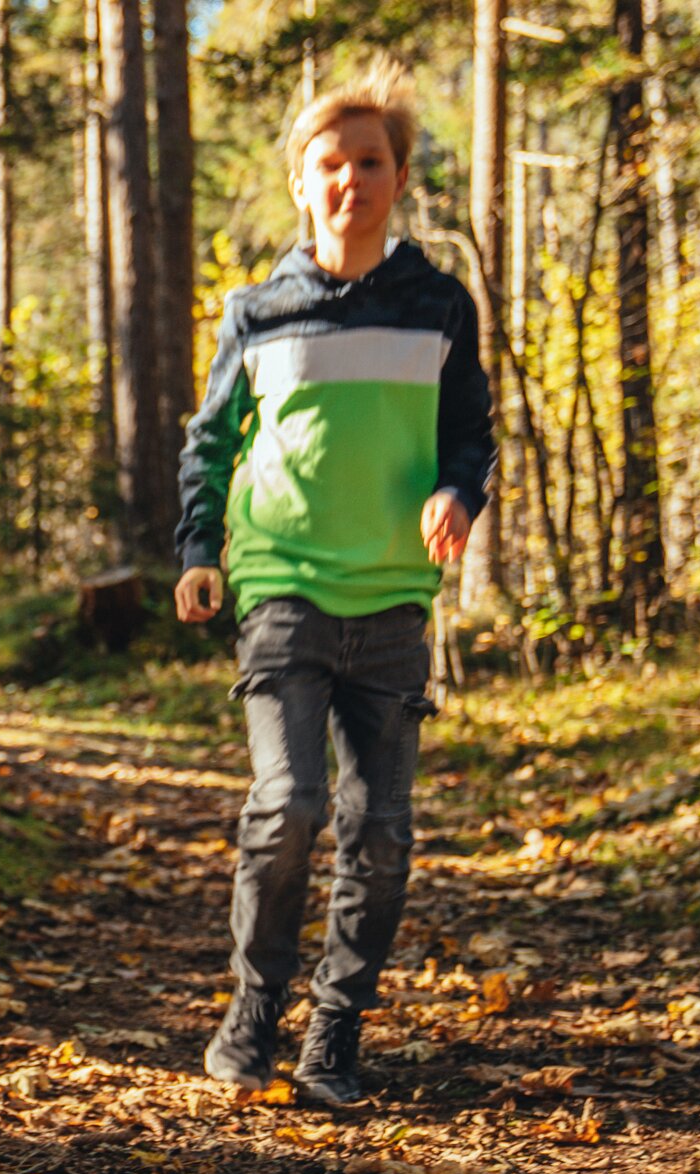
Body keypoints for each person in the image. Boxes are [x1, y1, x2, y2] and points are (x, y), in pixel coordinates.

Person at [172, 64, 496, 1108]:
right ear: (299, 183)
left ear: (397, 176)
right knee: (287, 803)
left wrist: (457, 493)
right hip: (281, 588)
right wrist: (196, 549)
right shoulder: (258, 309)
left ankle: (334, 1035)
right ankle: (253, 1008)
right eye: (329, 164)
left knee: (381, 828)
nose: (348, 179)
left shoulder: (437, 303)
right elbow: (209, 441)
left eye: (368, 162)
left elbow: (469, 436)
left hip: (395, 598)